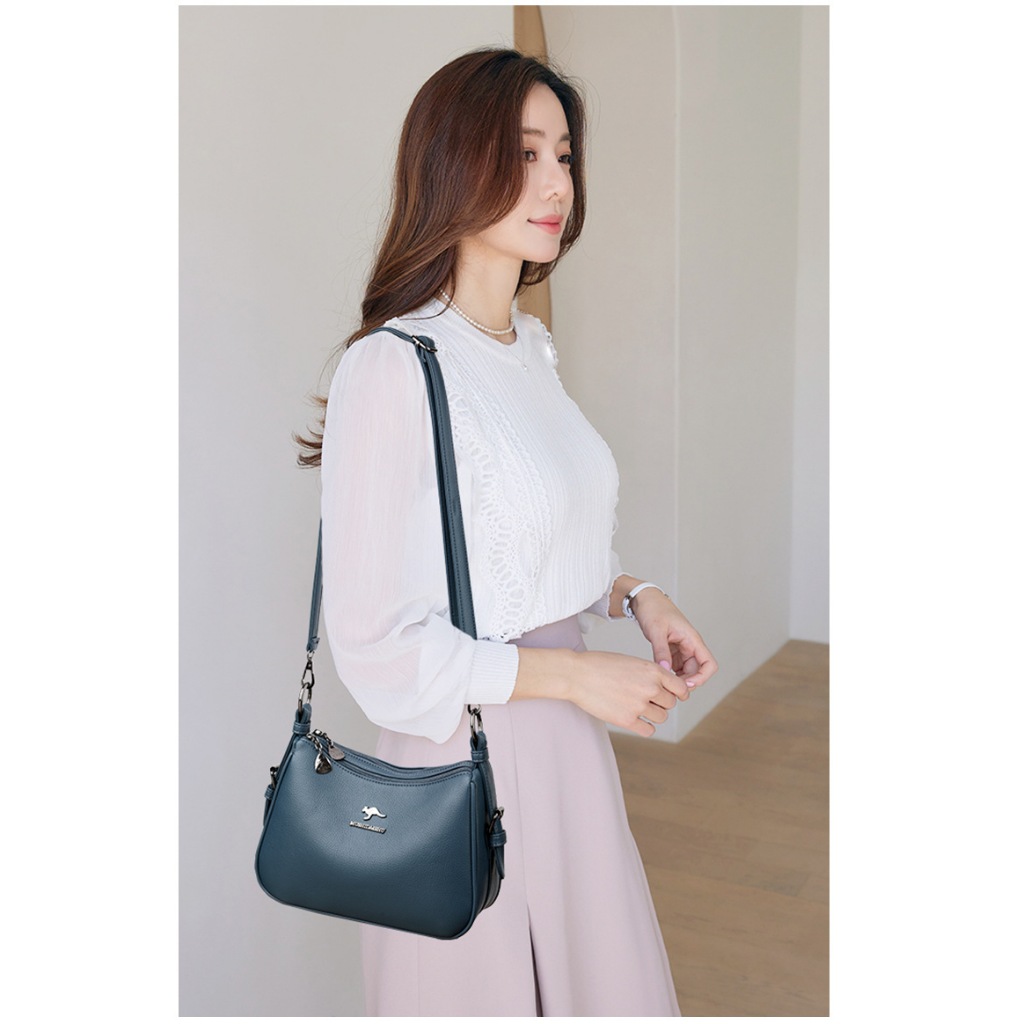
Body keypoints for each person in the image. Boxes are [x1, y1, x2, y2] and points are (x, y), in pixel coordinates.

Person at [298, 47, 718, 1017]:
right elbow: (374, 645)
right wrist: (573, 676)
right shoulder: (395, 366)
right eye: (525, 154)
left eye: (563, 155)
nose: (556, 183)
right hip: (465, 757)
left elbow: (524, 537)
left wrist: (636, 596)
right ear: (453, 163)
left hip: (568, 751)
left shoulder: (527, 347)